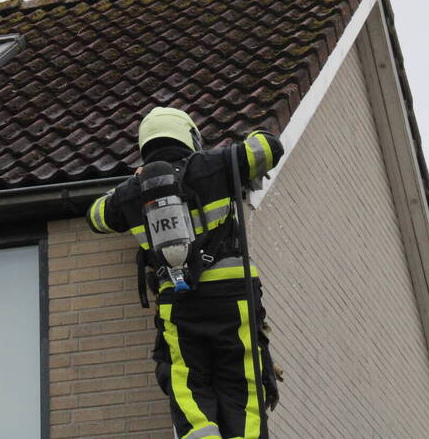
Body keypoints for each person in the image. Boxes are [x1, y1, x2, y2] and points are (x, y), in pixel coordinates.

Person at [86, 106, 284, 439]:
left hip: (179, 301)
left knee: (186, 379)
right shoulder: (216, 164)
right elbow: (269, 147)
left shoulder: (132, 193)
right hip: (232, 296)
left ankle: (200, 432)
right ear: (190, 135)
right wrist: (247, 139)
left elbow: (95, 217)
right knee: (244, 380)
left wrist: (132, 184)